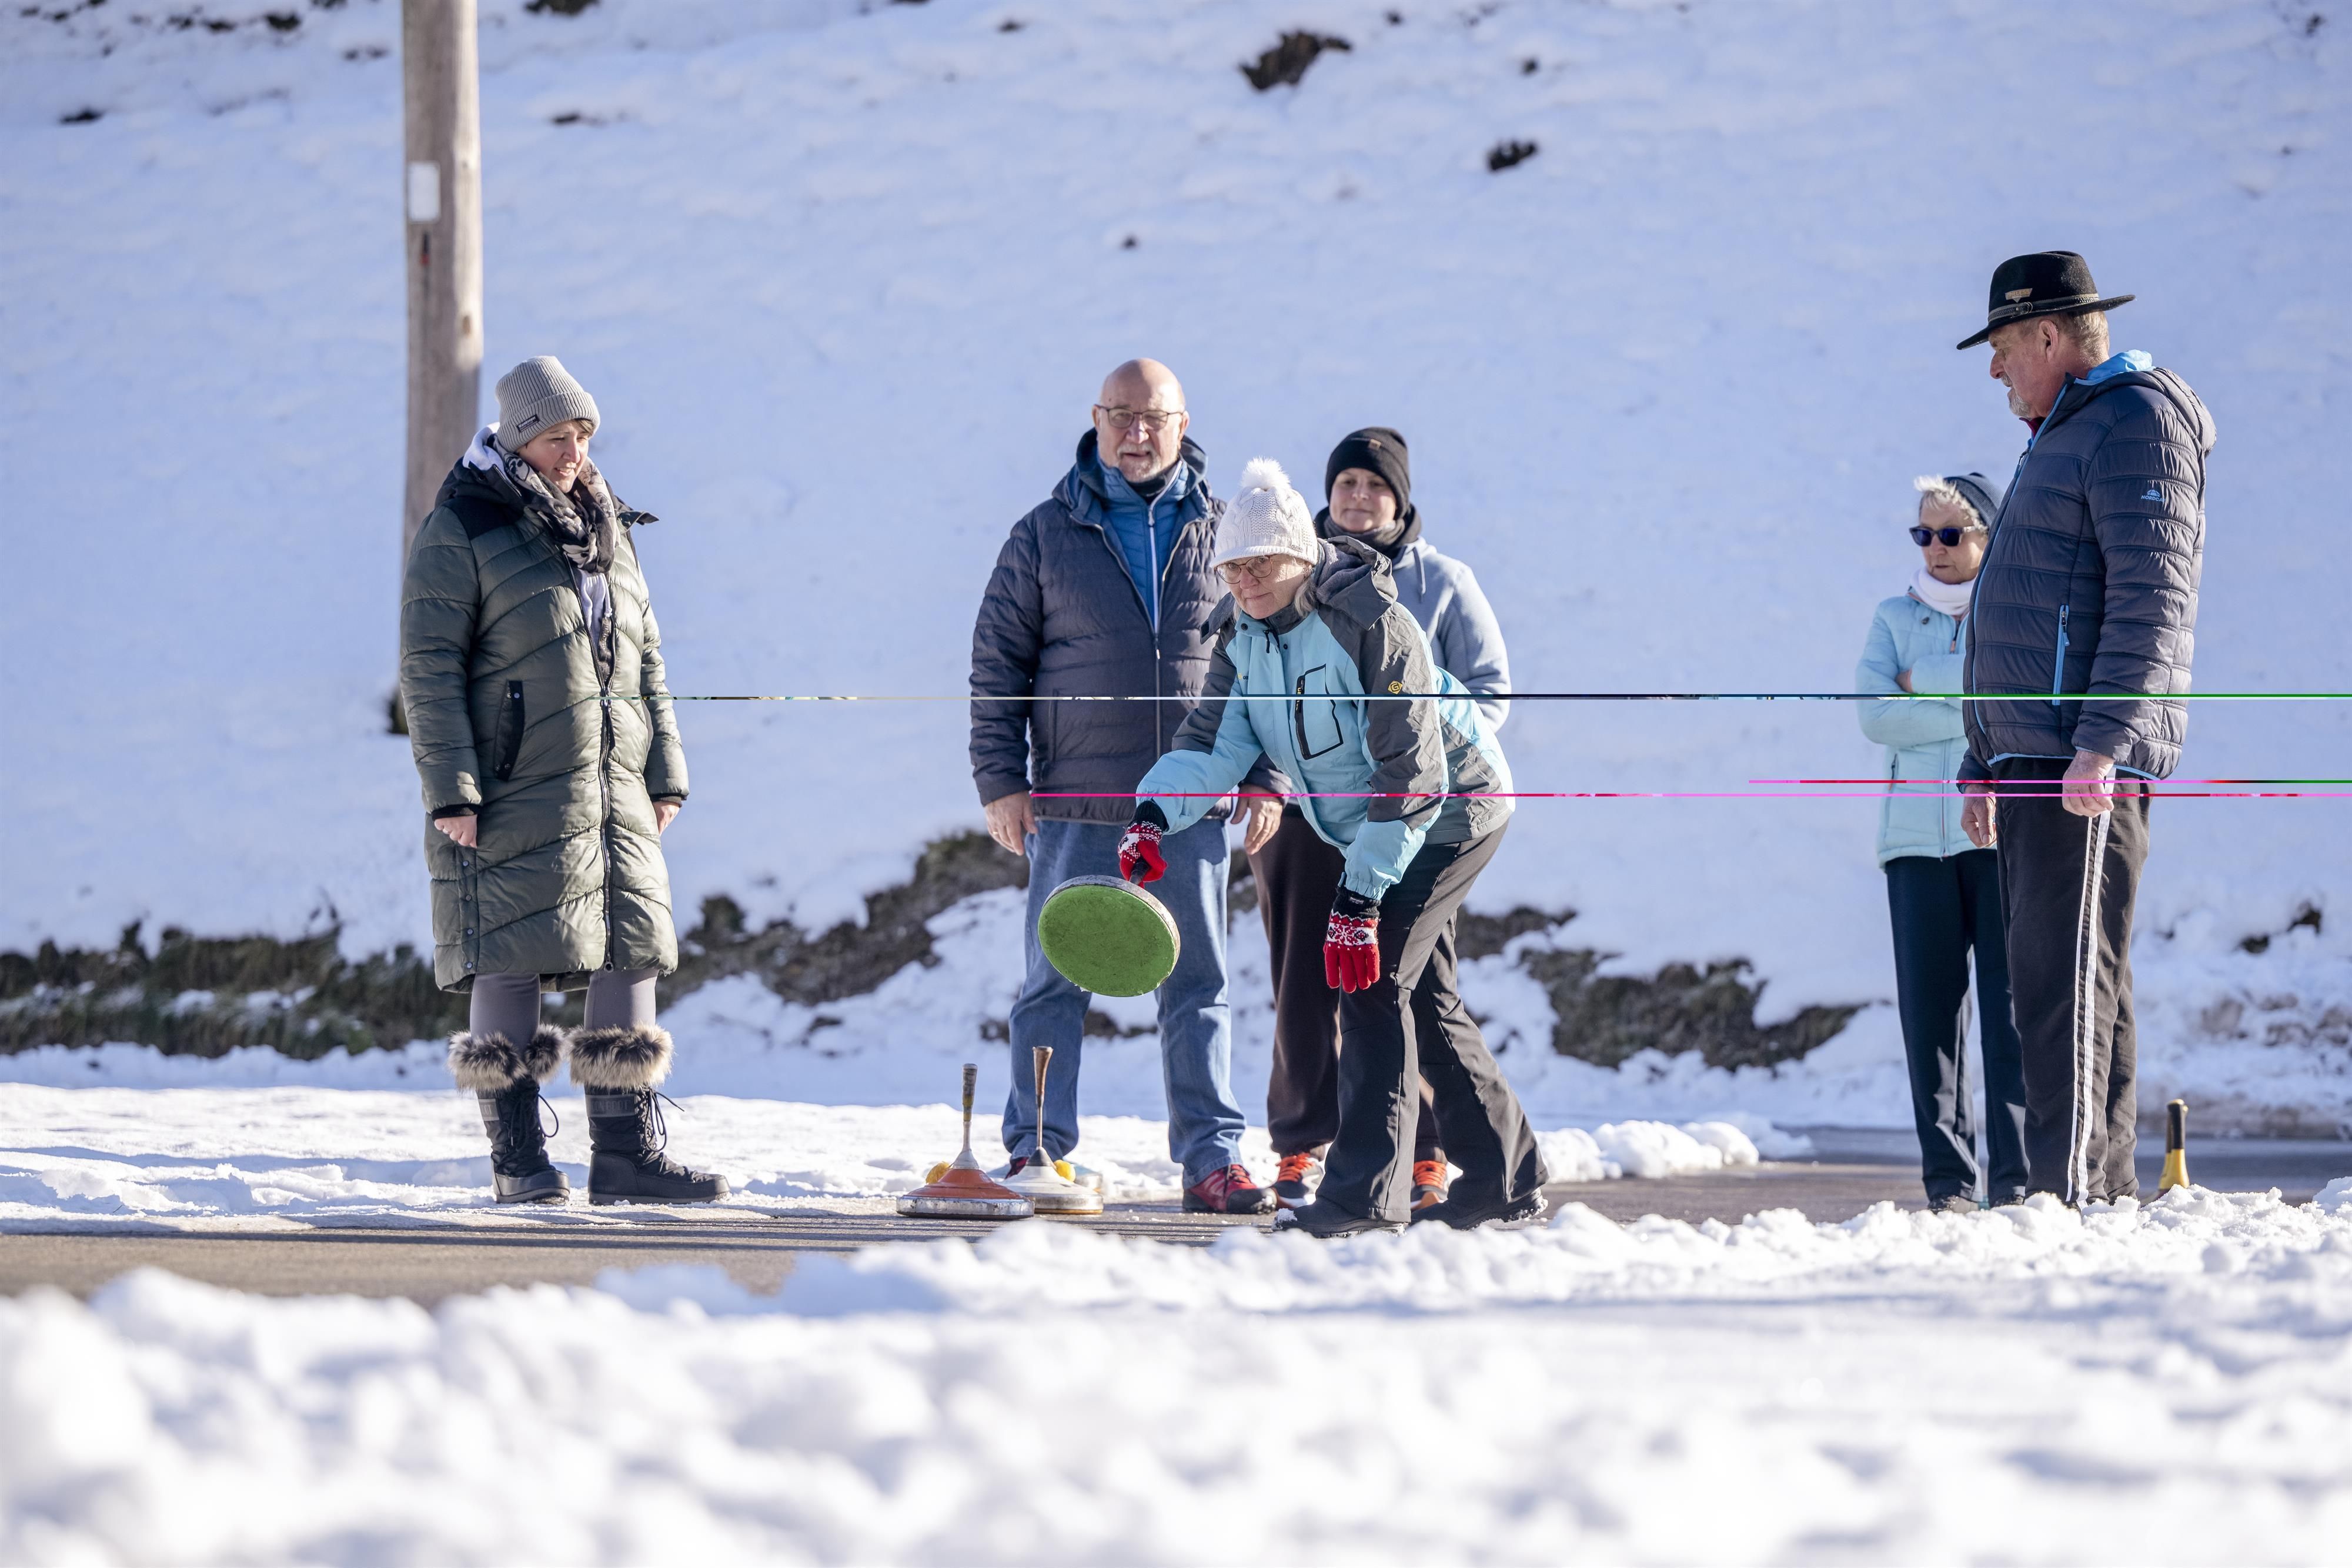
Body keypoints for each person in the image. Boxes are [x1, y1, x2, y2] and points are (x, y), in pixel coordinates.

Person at [1121, 458, 1546, 1238]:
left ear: (1300, 555)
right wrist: (1152, 814)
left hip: (1453, 807)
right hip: (1378, 819)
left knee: (1374, 982)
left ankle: (1363, 1196)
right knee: (1422, 993)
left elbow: (1412, 774)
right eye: (1231, 566)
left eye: (1260, 562)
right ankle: (1504, 1176)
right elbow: (1212, 744)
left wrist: (1358, 898)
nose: (1244, 580)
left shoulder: (1370, 622)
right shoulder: (1243, 638)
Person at [401, 356, 727, 1207]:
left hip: (615, 782)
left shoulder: (608, 524)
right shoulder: (465, 526)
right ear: (517, 439)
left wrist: (665, 770)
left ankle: (625, 1157)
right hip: (515, 781)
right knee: (510, 955)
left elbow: (647, 658)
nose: (573, 451)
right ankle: (518, 1158)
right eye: (555, 437)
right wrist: (452, 788)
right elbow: (429, 670)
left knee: (632, 948)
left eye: (582, 434)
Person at [968, 359, 1284, 1215]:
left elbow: (1270, 658)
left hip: (1191, 802)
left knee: (1198, 986)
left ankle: (1212, 1160)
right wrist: (1001, 779)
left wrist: (1266, 774)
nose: (1136, 433)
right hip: (1074, 800)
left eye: (1153, 417)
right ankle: (1037, 1149)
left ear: (1184, 424)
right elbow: (997, 664)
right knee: (1052, 983)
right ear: (1095, 419)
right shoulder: (1043, 534)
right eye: (1120, 416)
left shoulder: (1230, 531)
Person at [1954, 252, 2213, 1206]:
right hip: (2035, 751)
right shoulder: (2067, 429)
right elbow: (2029, 611)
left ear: (2050, 334)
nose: (1994, 368)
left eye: (2003, 346)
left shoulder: (2134, 419)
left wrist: (2104, 740)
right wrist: (1982, 754)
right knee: (2061, 978)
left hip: (2078, 753)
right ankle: (2090, 1191)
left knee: (2063, 985)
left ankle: (2063, 1198)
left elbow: (2154, 598)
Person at [1247, 427, 1514, 1211]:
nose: (1359, 497)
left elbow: (1490, 694)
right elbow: (1253, 687)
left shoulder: (1443, 582)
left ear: (1401, 498)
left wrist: (1415, 724)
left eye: (1375, 484)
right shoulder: (1288, 571)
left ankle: (1422, 1154)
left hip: (1412, 809)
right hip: (1310, 806)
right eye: (1346, 483)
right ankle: (1303, 1140)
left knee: (1402, 978)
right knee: (1305, 975)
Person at [1856, 473, 2026, 1212]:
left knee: (2009, 1014)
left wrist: (1918, 680)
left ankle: (2016, 1181)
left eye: (1951, 534)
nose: (1935, 548)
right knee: (1930, 1023)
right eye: (1923, 534)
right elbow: (1875, 717)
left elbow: (2015, 699)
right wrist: (1968, 698)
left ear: (1988, 536)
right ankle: (1949, 1185)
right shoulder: (1892, 616)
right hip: (1912, 846)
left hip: (1997, 839)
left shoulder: (2012, 613)